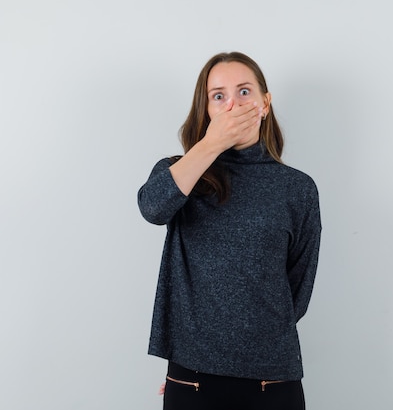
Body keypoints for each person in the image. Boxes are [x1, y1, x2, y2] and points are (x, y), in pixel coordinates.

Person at [137, 51, 322, 410]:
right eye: (218, 96)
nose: (232, 104)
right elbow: (152, 208)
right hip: (192, 377)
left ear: (265, 103)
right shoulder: (182, 172)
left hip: (273, 376)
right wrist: (212, 144)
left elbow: (295, 290)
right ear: (206, 109)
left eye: (244, 92)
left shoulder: (297, 188)